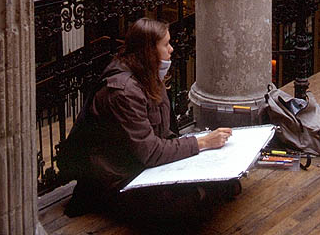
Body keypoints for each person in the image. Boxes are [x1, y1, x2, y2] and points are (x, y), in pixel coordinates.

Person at [65, 17, 238, 222]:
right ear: (149, 50)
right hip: (119, 175)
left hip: (144, 163)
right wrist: (202, 143)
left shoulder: (148, 74)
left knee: (229, 183)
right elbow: (151, 151)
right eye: (166, 44)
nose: (171, 49)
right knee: (185, 207)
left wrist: (198, 155)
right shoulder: (124, 92)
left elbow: (163, 136)